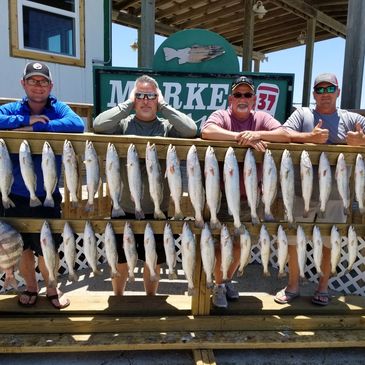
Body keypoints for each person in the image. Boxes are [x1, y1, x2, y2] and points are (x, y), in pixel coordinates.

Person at [93, 74, 197, 296]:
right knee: (120, 258)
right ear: (133, 98)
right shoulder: (122, 125)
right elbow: (98, 124)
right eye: (140, 95)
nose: (145, 100)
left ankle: (151, 298)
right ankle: (118, 297)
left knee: (154, 259)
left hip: (157, 209)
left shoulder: (168, 127)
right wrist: (128, 104)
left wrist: (165, 106)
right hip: (123, 206)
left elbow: (191, 129)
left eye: (151, 96)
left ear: (158, 98)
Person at [274, 72, 365, 306]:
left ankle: (323, 287)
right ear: (314, 93)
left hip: (337, 195)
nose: (325, 94)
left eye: (329, 89)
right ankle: (293, 285)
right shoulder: (302, 114)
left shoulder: (352, 119)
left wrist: (360, 143)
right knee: (293, 240)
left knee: (329, 242)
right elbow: (281, 134)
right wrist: (308, 137)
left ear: (338, 92)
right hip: (299, 192)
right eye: (320, 90)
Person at [201, 75, 290, 308]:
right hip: (219, 195)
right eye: (238, 95)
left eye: (247, 95)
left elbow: (284, 135)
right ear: (231, 99)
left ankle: (226, 279)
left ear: (255, 99)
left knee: (241, 244)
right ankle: (218, 285)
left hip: (249, 197)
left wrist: (257, 135)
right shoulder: (222, 116)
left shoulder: (261, 118)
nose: (242, 98)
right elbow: (207, 131)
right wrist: (240, 137)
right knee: (221, 243)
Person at [0, 61, 84, 308]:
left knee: (47, 245)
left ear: (51, 85)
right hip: (13, 193)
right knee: (22, 245)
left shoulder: (59, 109)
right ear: (23, 83)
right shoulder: (12, 108)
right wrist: (27, 119)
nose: (38, 86)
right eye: (33, 80)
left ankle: (52, 287)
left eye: (43, 81)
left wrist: (40, 125)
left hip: (45, 193)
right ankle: (31, 287)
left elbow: (78, 125)